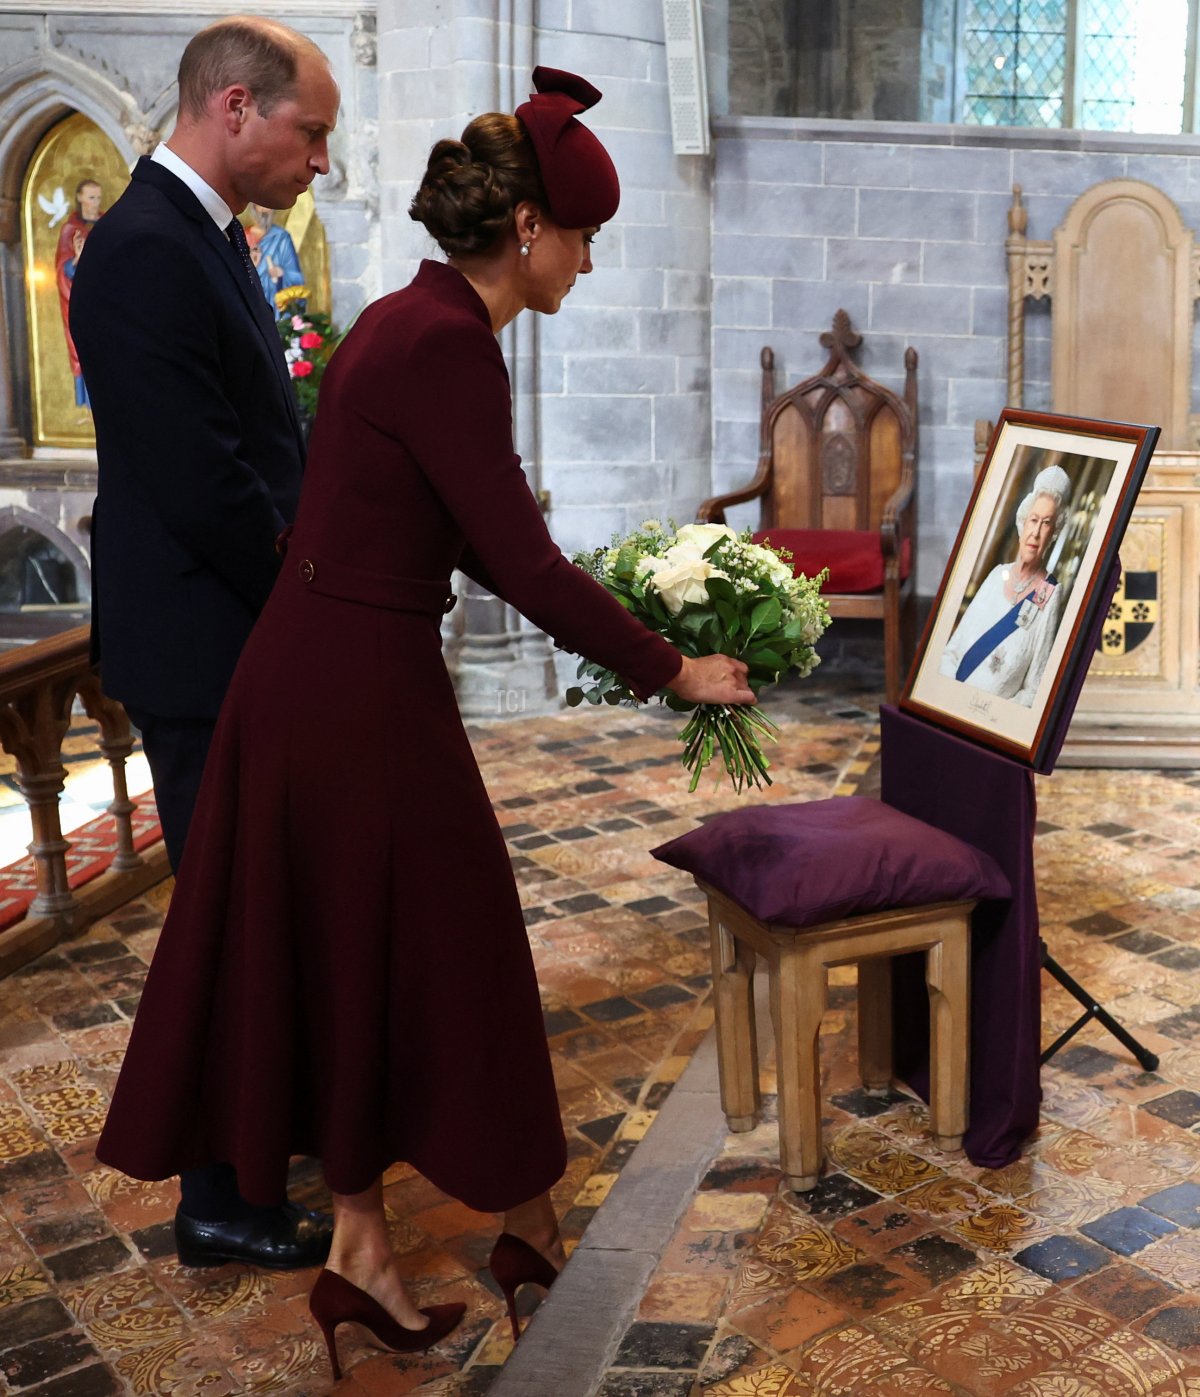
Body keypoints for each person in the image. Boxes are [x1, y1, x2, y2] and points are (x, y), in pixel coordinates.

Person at [93, 66, 755, 1380]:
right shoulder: (447, 344)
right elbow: (516, 556)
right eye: (584, 237)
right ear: (527, 233)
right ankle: (517, 1234)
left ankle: (368, 1252)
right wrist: (670, 665)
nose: (586, 261)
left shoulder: (408, 320)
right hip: (355, 690)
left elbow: (457, 533)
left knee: (366, 951)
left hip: (332, 671)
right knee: (461, 951)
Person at [69, 16, 340, 1272]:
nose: (318, 161)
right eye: (310, 132)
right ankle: (218, 1196)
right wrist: (312, 592)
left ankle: (258, 1141)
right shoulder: (137, 248)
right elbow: (201, 480)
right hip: (202, 646)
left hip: (235, 636)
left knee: (256, 908)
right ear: (236, 108)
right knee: (226, 921)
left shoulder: (210, 238)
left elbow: (256, 445)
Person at [939, 464, 1071, 707]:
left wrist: (993, 716)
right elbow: (951, 652)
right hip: (951, 704)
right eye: (1033, 520)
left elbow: (1035, 689)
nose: (1036, 532)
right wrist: (951, 701)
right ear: (1022, 523)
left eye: (1046, 523)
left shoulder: (1049, 594)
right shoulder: (996, 575)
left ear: (1054, 533)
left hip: (991, 724)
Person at [55, 178, 103, 409]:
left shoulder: (107, 223)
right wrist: (76, 259)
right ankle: (84, 405)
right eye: (92, 197)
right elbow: (62, 270)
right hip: (77, 302)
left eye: (98, 198)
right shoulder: (70, 230)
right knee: (81, 348)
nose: (96, 202)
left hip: (105, 302)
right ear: (81, 198)